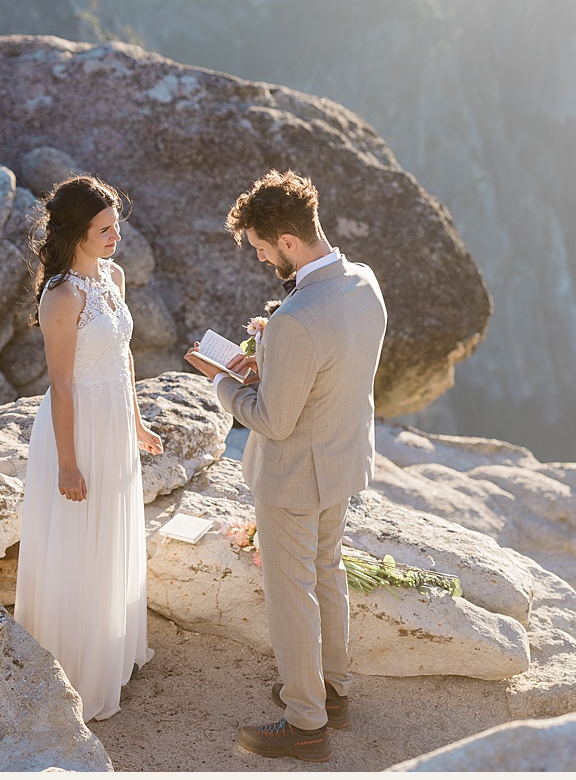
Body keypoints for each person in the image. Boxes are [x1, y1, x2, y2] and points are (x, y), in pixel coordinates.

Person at [184, 170, 387, 763]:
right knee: (329, 572)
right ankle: (335, 692)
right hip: (343, 459)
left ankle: (305, 722)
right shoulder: (361, 283)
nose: (260, 256)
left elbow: (271, 420)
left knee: (290, 594)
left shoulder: (297, 319)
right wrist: (272, 352)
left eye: (261, 246)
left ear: (288, 241)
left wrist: (223, 380)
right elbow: (338, 361)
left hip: (295, 474)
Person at [15, 175, 165, 723]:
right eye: (104, 229)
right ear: (77, 232)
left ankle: (110, 648)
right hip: (74, 427)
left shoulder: (112, 277)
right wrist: (68, 461)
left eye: (116, 225)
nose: (115, 236)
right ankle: (71, 665)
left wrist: (138, 424)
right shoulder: (61, 295)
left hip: (114, 422)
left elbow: (124, 358)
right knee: (76, 539)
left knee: (111, 533)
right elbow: (62, 384)